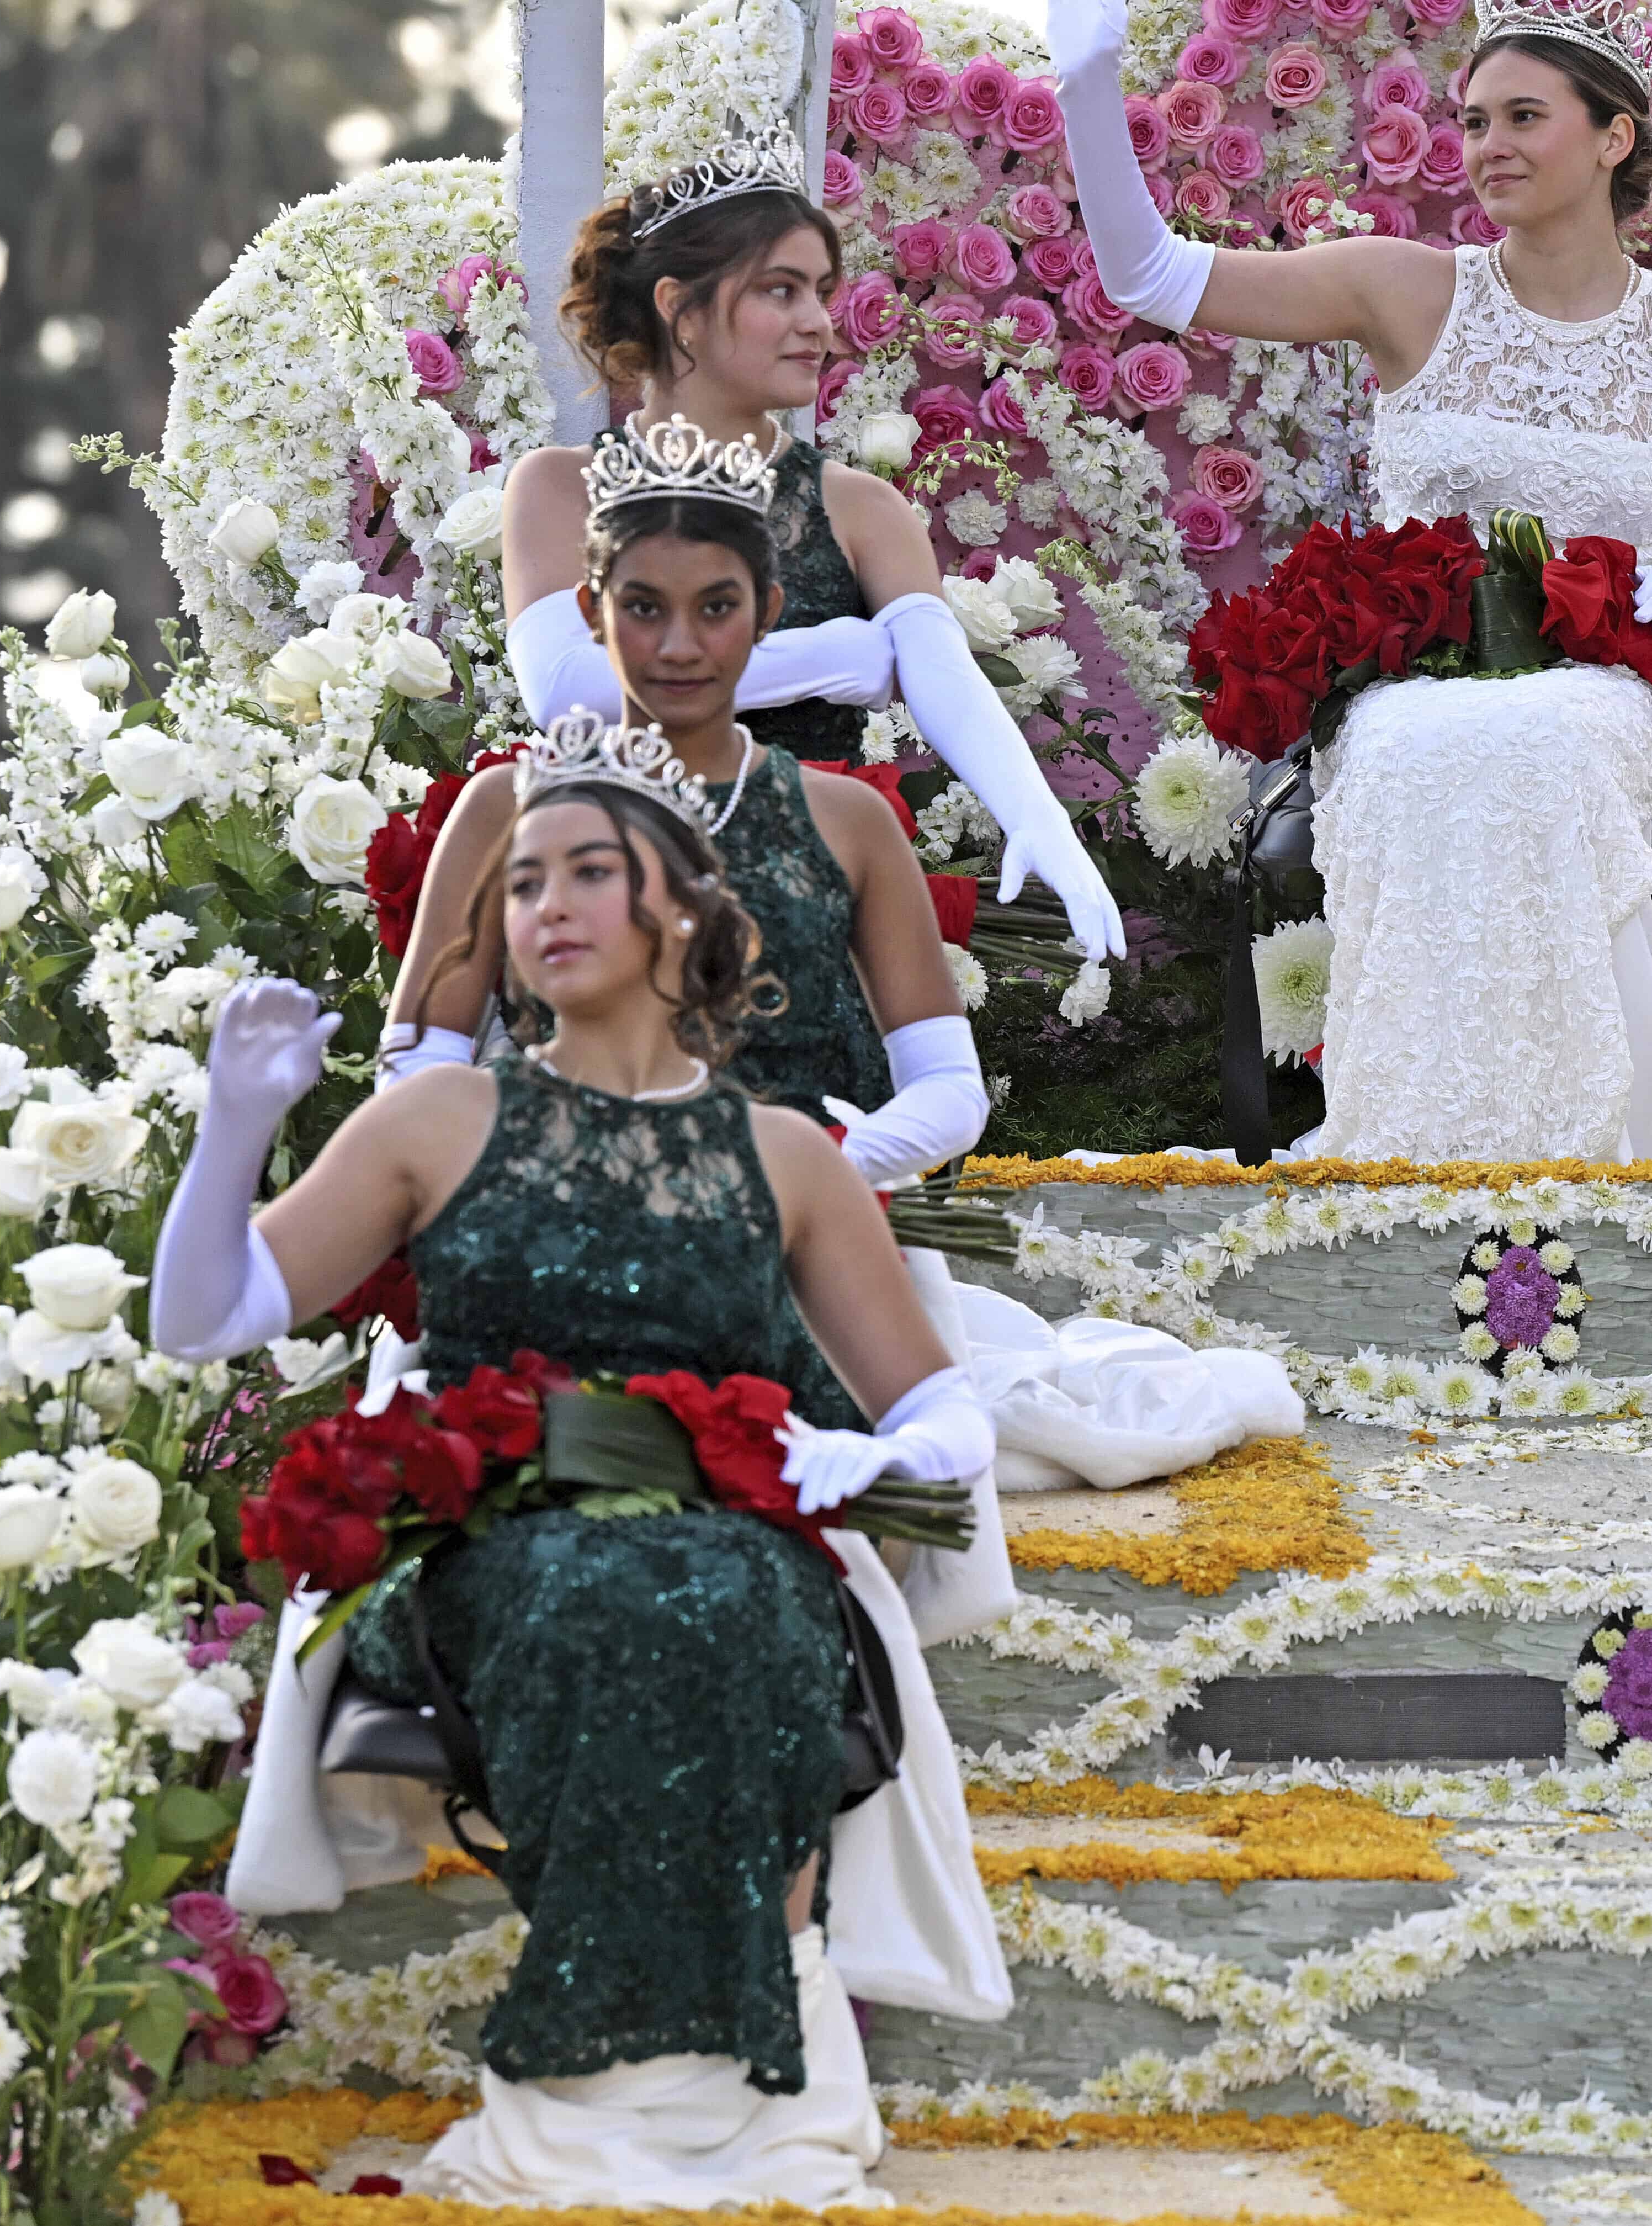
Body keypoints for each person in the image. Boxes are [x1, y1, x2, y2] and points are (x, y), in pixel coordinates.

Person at [164, 720, 1010, 2204]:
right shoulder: (437, 1115)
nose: (541, 906)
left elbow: (944, 1409)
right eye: (519, 882)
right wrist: (233, 1124)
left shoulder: (785, 1153)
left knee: (748, 1605)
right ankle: (582, 2098)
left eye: (587, 874)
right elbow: (207, 1313)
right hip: (504, 1527)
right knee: (591, 1601)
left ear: (678, 907)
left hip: (736, 1527)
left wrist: (848, 1463)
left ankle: (766, 2091)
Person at [390, 432, 1302, 1503]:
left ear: (766, 616)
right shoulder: (510, 808)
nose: (680, 643)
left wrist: (806, 1173)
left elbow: (951, 1092)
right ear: (593, 614)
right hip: (563, 1243)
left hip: (803, 1255)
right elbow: (416, 1071)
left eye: (716, 608)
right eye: (643, 607)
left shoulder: (846, 820)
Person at [1044, 0, 1652, 1162]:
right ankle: (1404, 1145)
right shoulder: (1406, 287)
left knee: (1543, 745)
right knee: (1412, 745)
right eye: (1473, 120)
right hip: (1414, 692)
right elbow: (1150, 278)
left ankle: (1581, 1149)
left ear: (1613, 137)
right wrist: (1087, 90)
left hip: (1609, 697)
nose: (1486, 147)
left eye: (1522, 117)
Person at [499, 129, 1123, 963]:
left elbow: (945, 679)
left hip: (814, 926)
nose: (818, 327)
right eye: (781, 292)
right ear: (681, 313)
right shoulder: (557, 489)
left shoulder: (860, 507)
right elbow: (571, 696)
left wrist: (1036, 815)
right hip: (627, 922)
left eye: (820, 293)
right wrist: (822, 655)